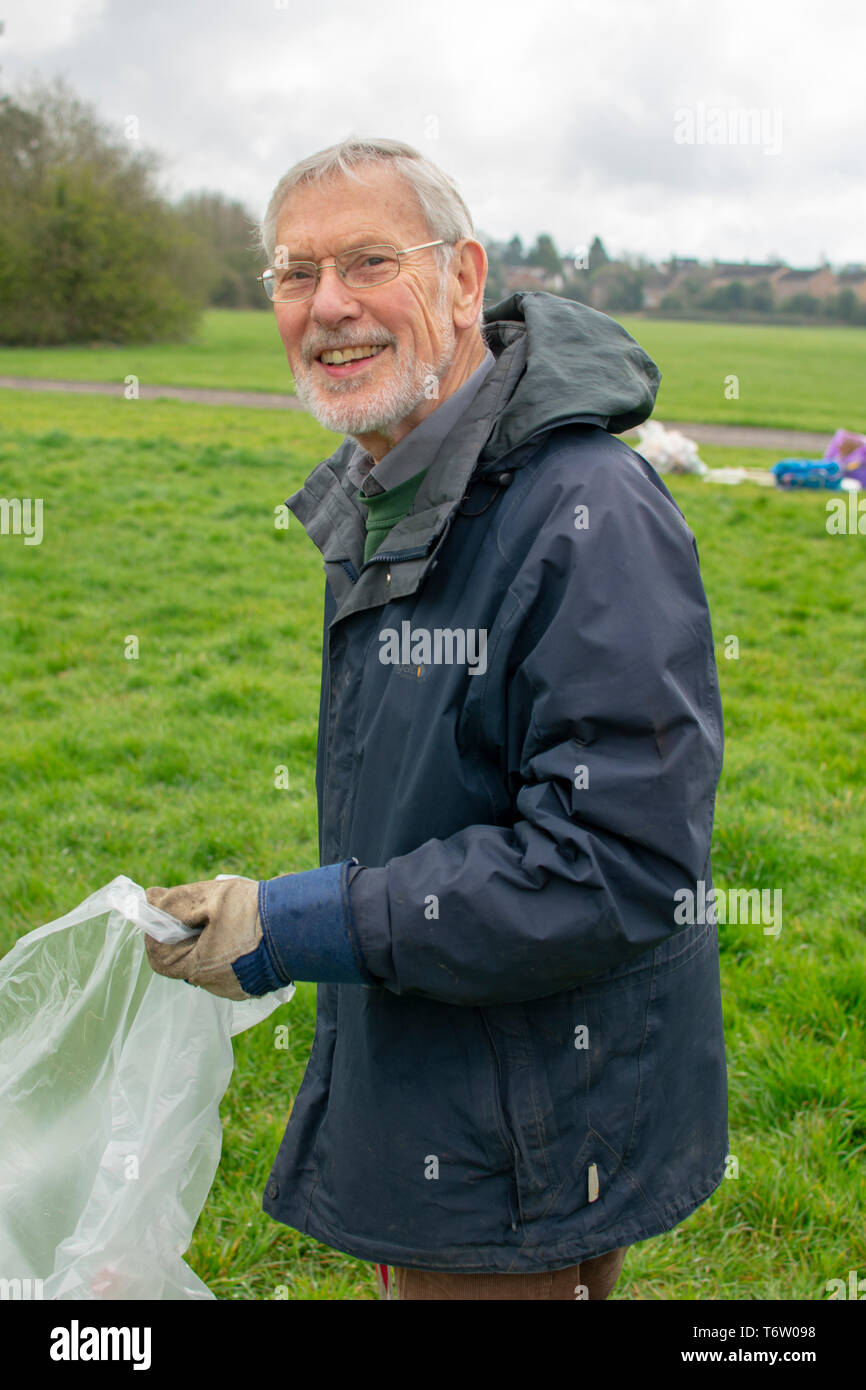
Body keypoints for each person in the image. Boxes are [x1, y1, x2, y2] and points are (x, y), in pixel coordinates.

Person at [145, 137, 728, 1302]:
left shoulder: (583, 513)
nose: (328, 306)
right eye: (293, 274)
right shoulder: (400, 483)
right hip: (453, 1075)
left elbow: (613, 868)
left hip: (523, 1127)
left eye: (368, 261)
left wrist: (293, 922)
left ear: (463, 281)